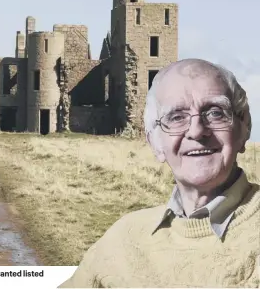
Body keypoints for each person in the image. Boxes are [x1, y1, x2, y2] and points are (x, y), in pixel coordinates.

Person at [59, 58, 259, 288]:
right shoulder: (123, 238)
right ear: (154, 142)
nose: (196, 130)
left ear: (244, 127)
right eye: (176, 117)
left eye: (215, 113)